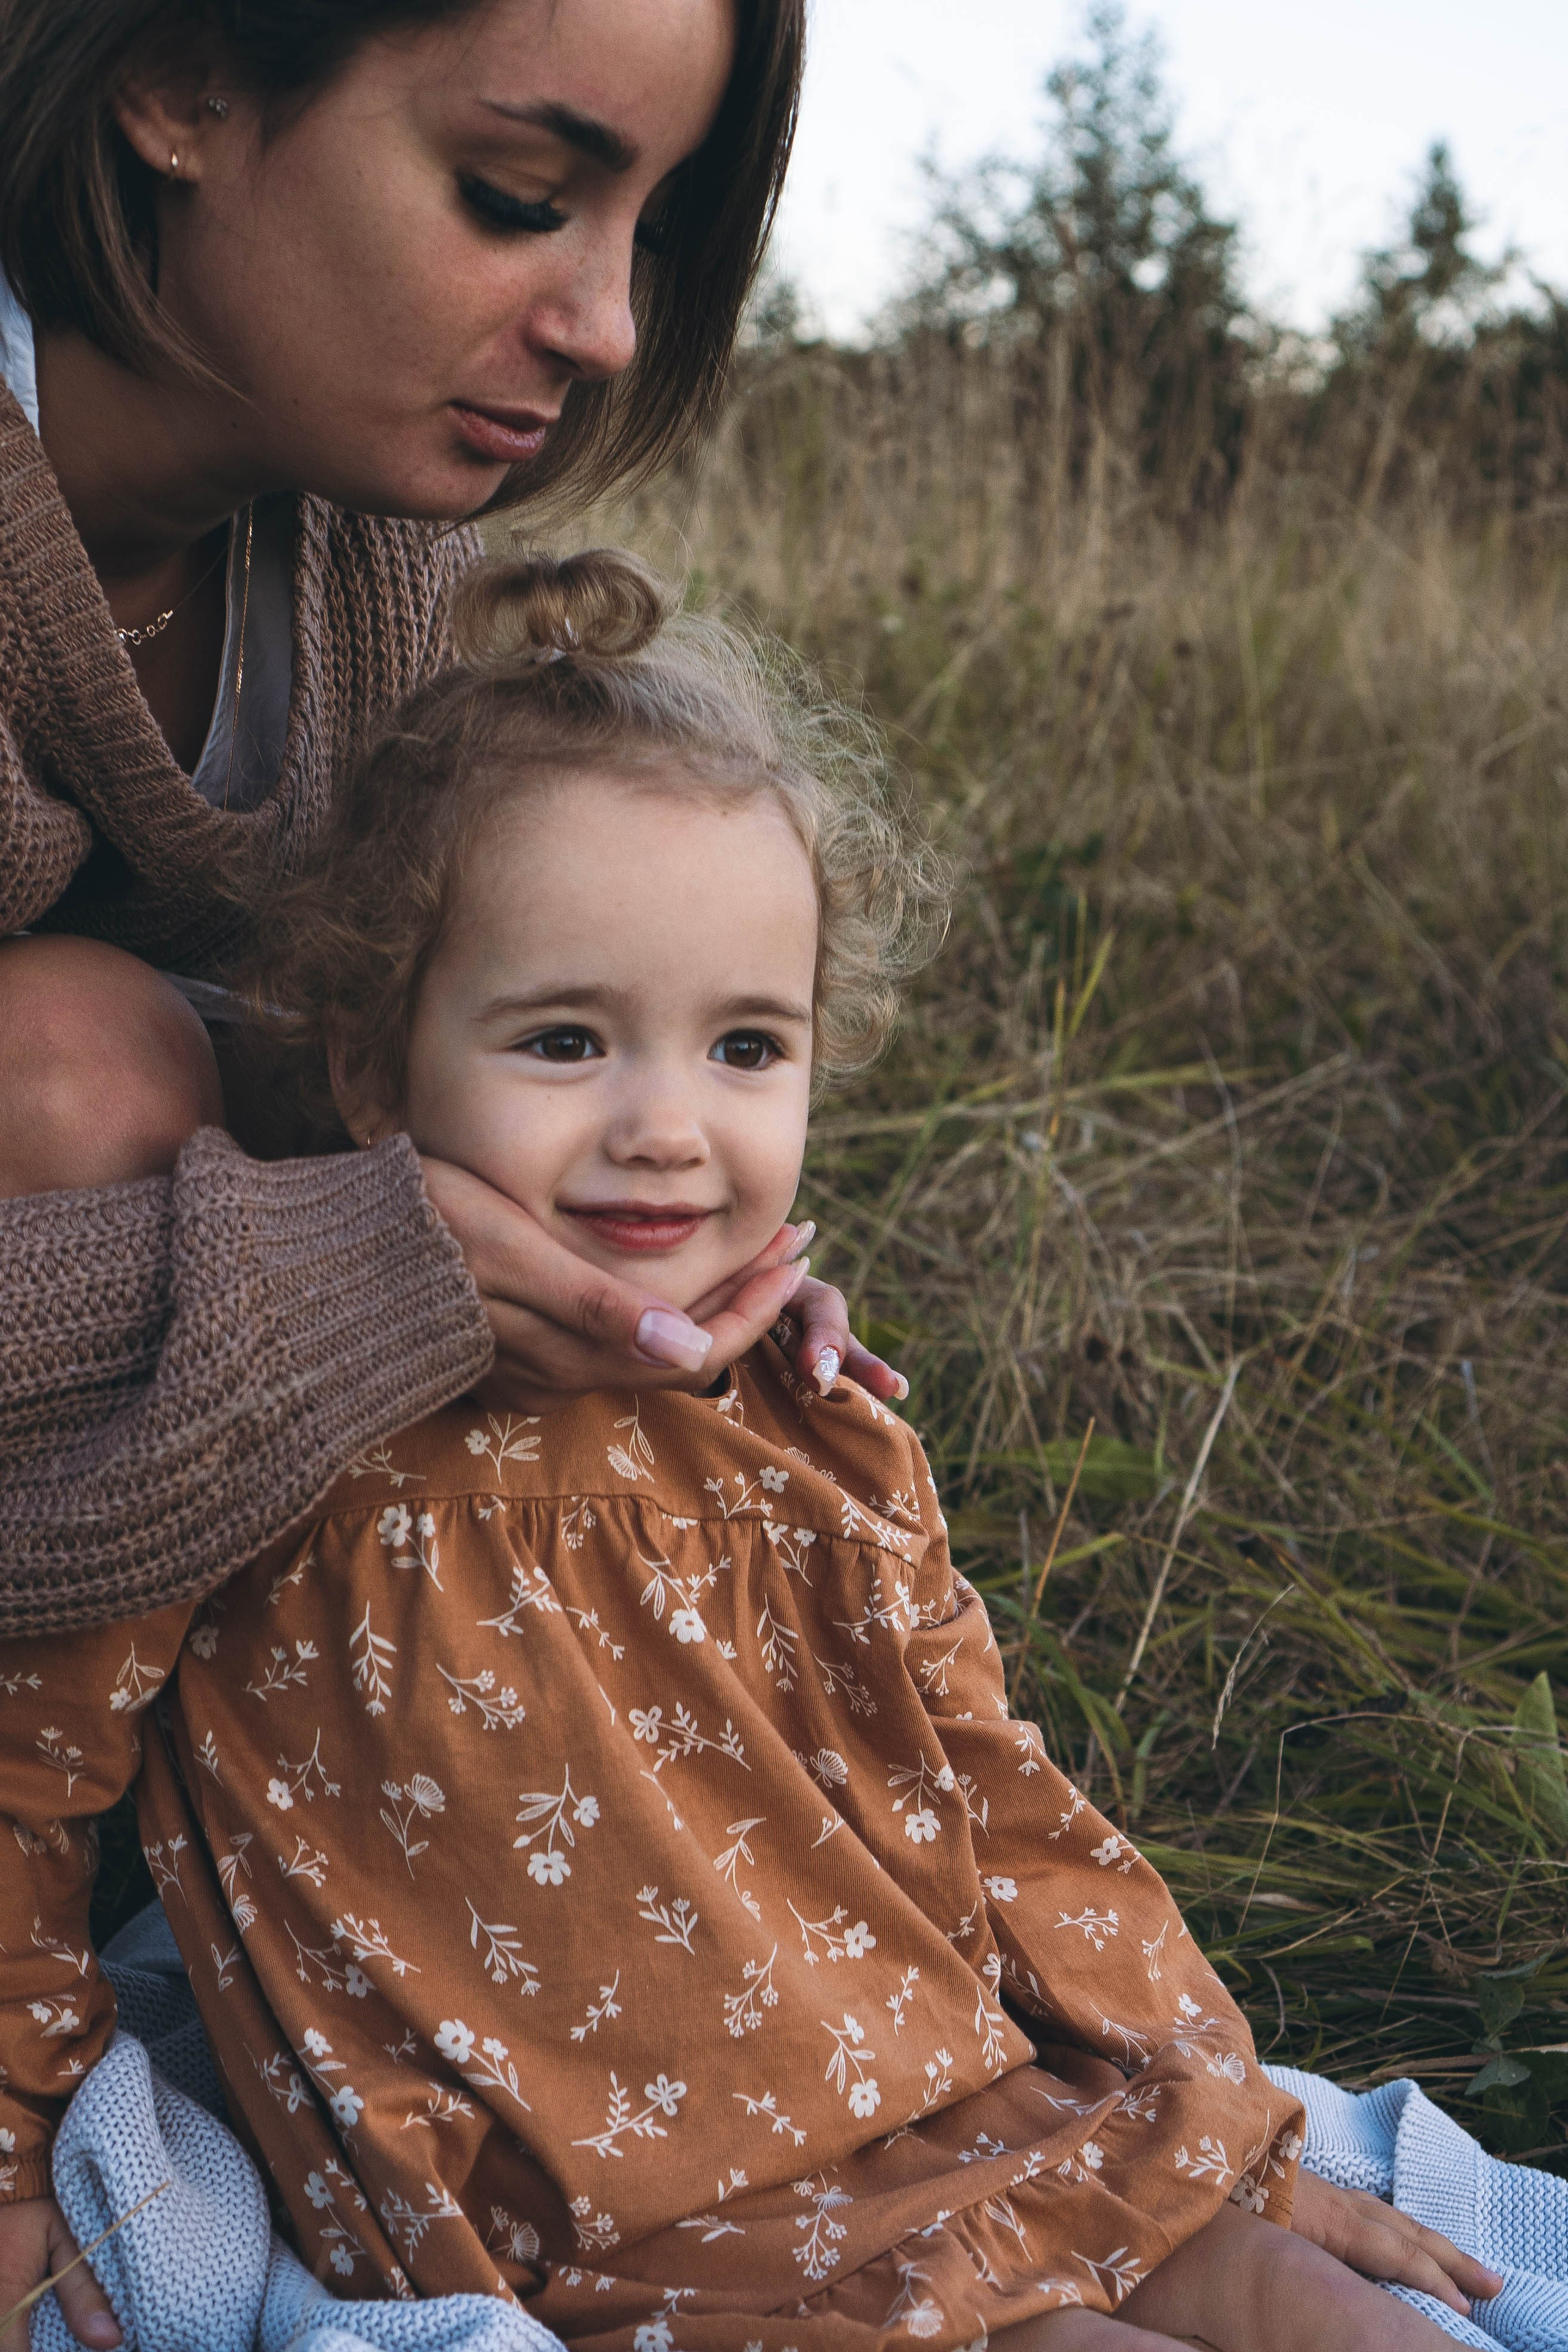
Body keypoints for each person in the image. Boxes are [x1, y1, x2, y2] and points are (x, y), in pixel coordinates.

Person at [0, 554, 1501, 2351]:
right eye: (565, 1040)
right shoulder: (255, 1417)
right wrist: (17, 2147)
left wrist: (1228, 2136)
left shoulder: (810, 1419)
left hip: (934, 2094)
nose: (665, 1130)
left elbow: (997, 1799)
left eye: (744, 1048)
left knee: (1346, 2315)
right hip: (606, 2203)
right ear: (379, 1069)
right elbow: (30, 1784)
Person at [0, 0, 899, 1649]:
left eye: (654, 228)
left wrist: (639, 1276)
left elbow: (348, 1069)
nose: (614, 327)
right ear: (179, 80)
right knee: (78, 1062)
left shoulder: (365, 565)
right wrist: (383, 1279)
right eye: (518, 194)